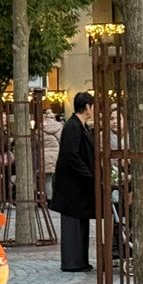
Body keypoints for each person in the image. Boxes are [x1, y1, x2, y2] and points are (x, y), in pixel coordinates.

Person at [49, 91, 96, 273]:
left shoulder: (80, 126)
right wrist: (88, 174)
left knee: (81, 224)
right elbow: (71, 155)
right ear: (87, 107)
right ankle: (72, 261)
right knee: (73, 225)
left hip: (79, 186)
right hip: (72, 187)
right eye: (92, 106)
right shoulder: (72, 126)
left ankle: (80, 260)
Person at [40, 108, 62, 203]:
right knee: (57, 179)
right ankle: (57, 198)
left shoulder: (40, 127)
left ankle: (49, 199)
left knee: (47, 180)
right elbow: (62, 139)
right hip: (56, 155)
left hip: (44, 156)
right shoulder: (58, 126)